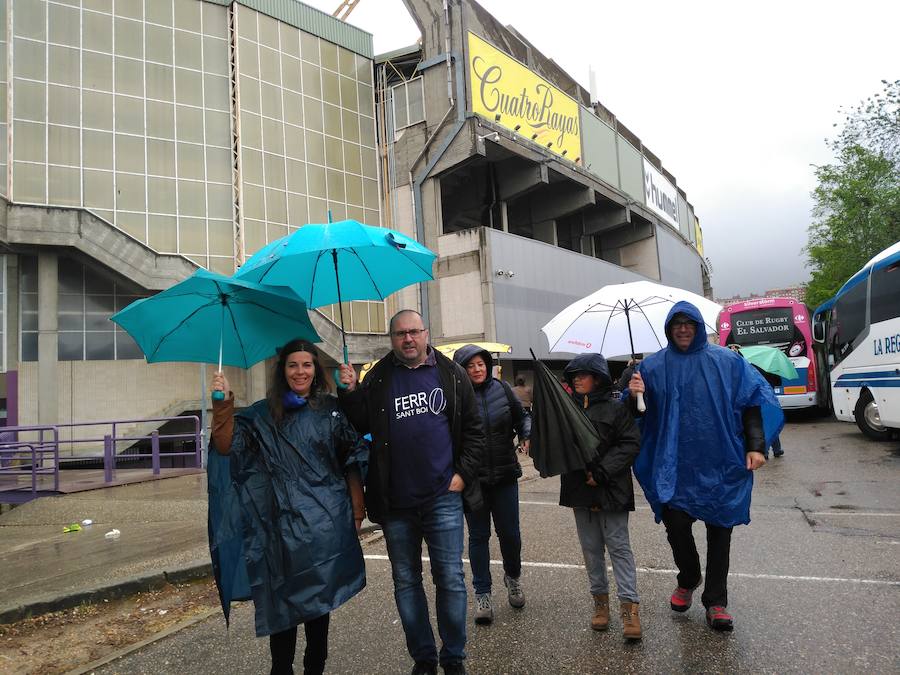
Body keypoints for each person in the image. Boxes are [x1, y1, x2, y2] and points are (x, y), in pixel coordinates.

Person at [338, 310, 485, 675]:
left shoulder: (451, 374)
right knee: (406, 582)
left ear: (426, 333)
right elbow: (359, 424)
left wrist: (463, 475)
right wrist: (350, 391)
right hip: (396, 502)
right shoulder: (378, 378)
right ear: (392, 339)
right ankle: (424, 658)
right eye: (401, 333)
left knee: (450, 578)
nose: (408, 339)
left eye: (414, 332)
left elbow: (474, 430)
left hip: (443, 496)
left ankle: (453, 656)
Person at [209, 340, 367, 675]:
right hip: (279, 530)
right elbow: (225, 446)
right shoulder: (261, 415)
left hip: (324, 530)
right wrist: (222, 405)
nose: (300, 372)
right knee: (282, 611)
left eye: (307, 365)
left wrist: (356, 511)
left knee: (318, 612)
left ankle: (314, 670)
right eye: (293, 365)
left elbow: (352, 458)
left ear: (315, 369)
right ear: (282, 370)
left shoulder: (331, 410)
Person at [628, 302, 781, 632]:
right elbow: (639, 417)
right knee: (676, 524)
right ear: (669, 328)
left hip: (721, 461)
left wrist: (755, 445)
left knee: (720, 530)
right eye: (677, 324)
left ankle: (716, 602)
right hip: (674, 464)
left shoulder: (726, 361)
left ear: (698, 326)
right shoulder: (652, 367)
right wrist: (634, 396)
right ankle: (689, 576)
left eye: (689, 323)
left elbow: (752, 400)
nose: (683, 329)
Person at [561, 353, 643, 640]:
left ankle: (629, 610)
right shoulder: (566, 409)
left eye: (583, 374)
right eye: (574, 375)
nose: (577, 379)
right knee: (591, 550)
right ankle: (600, 604)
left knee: (619, 548)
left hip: (612, 490)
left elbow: (631, 443)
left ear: (598, 378)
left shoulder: (616, 409)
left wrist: (602, 472)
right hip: (579, 491)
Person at [453, 345, 531, 625]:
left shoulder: (503, 389)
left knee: (510, 534)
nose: (477, 369)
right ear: (462, 369)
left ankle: (513, 577)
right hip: (473, 480)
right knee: (478, 537)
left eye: (480, 364)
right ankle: (483, 594)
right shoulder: (456, 397)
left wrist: (526, 434)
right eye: (470, 365)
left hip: (505, 475)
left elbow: (523, 417)